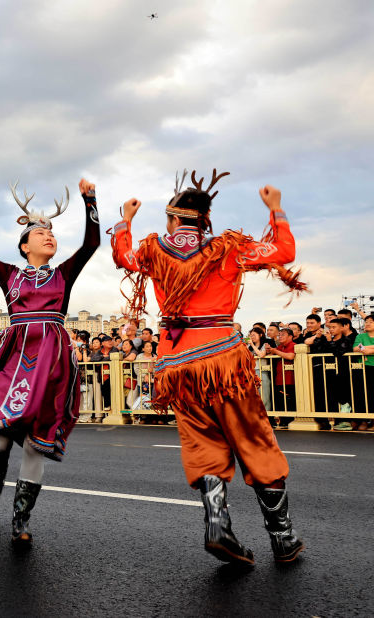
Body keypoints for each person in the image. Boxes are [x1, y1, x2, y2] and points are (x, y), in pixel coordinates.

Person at [110, 169, 305, 565]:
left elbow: (122, 257)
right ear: (206, 219)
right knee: (254, 441)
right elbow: (283, 253)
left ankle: (219, 525)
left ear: (171, 219)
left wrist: (125, 222)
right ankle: (283, 538)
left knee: (202, 443)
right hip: (222, 360)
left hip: (177, 364)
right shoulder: (226, 248)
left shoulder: (154, 250)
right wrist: (276, 209)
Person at [0, 178, 100, 547]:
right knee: (2, 440)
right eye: (40, 233)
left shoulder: (63, 274)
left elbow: (92, 242)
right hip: (15, 358)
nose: (49, 237)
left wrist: (91, 200)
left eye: (52, 233)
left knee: (34, 444)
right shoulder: (10, 275)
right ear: (24, 245)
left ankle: (20, 519)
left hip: (52, 363)